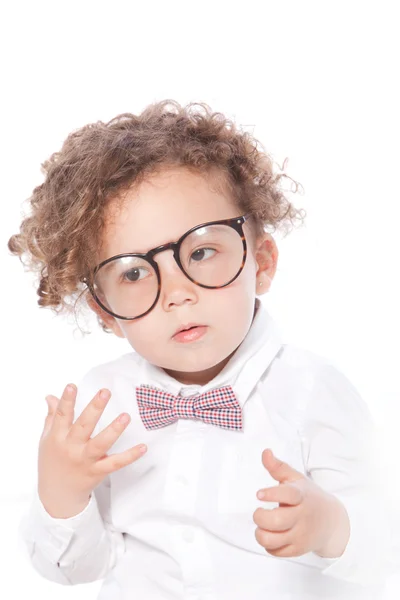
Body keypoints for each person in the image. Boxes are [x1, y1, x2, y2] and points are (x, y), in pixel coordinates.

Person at [9, 100, 392, 599]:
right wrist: (62, 493)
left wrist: (333, 527)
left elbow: (385, 549)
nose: (176, 293)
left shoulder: (314, 390)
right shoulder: (99, 404)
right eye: (133, 272)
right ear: (104, 309)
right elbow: (73, 570)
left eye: (202, 252)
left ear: (263, 261)